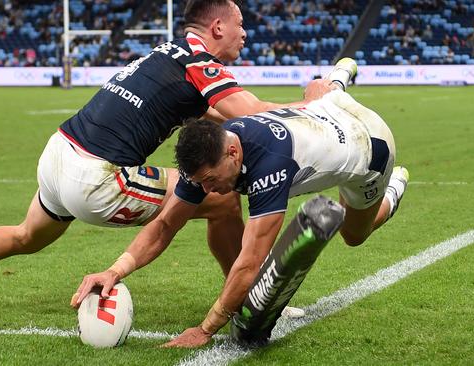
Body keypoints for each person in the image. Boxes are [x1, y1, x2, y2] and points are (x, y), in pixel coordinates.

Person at [0, 0, 335, 312]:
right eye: (240, 23)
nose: (246, 33)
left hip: (59, 153)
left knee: (26, 235)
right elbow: (251, 114)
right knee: (221, 200)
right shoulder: (199, 62)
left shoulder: (166, 55)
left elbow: (226, 121)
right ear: (217, 27)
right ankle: (244, 298)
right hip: (98, 177)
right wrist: (318, 102)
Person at [76, 84, 409, 348]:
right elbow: (165, 225)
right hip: (328, 110)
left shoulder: (270, 166)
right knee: (316, 88)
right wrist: (115, 271)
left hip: (371, 147)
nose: (208, 189)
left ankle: (393, 189)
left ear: (233, 153)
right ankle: (335, 81)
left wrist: (205, 330)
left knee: (354, 234)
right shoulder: (213, 152)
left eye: (211, 181)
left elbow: (250, 264)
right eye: (201, 182)